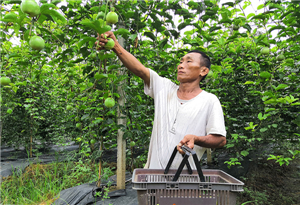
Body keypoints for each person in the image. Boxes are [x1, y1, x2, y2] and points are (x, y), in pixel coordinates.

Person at [95, 31, 226, 169]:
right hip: (153, 176)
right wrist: (115, 46)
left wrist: (196, 138)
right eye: (180, 62)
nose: (181, 65)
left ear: (203, 71)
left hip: (185, 181)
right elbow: (140, 70)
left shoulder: (209, 100)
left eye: (188, 61)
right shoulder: (165, 88)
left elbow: (220, 140)